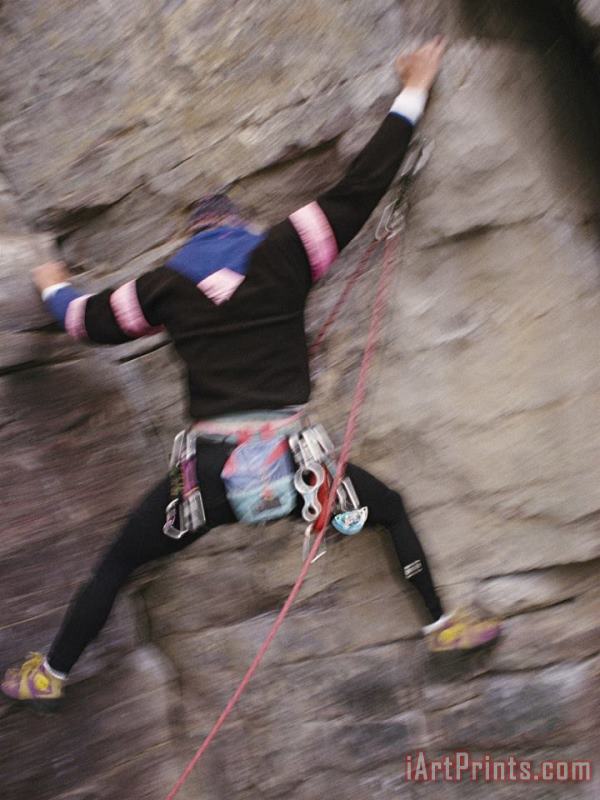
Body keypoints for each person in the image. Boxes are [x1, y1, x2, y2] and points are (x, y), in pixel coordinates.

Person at [2, 38, 500, 712]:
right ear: (239, 227)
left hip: (205, 483)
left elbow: (83, 322)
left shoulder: (162, 288)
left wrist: (52, 282)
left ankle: (51, 672)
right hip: (300, 472)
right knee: (388, 509)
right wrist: (414, 87)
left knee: (120, 562)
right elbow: (364, 184)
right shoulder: (286, 251)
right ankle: (441, 629)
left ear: (192, 240)